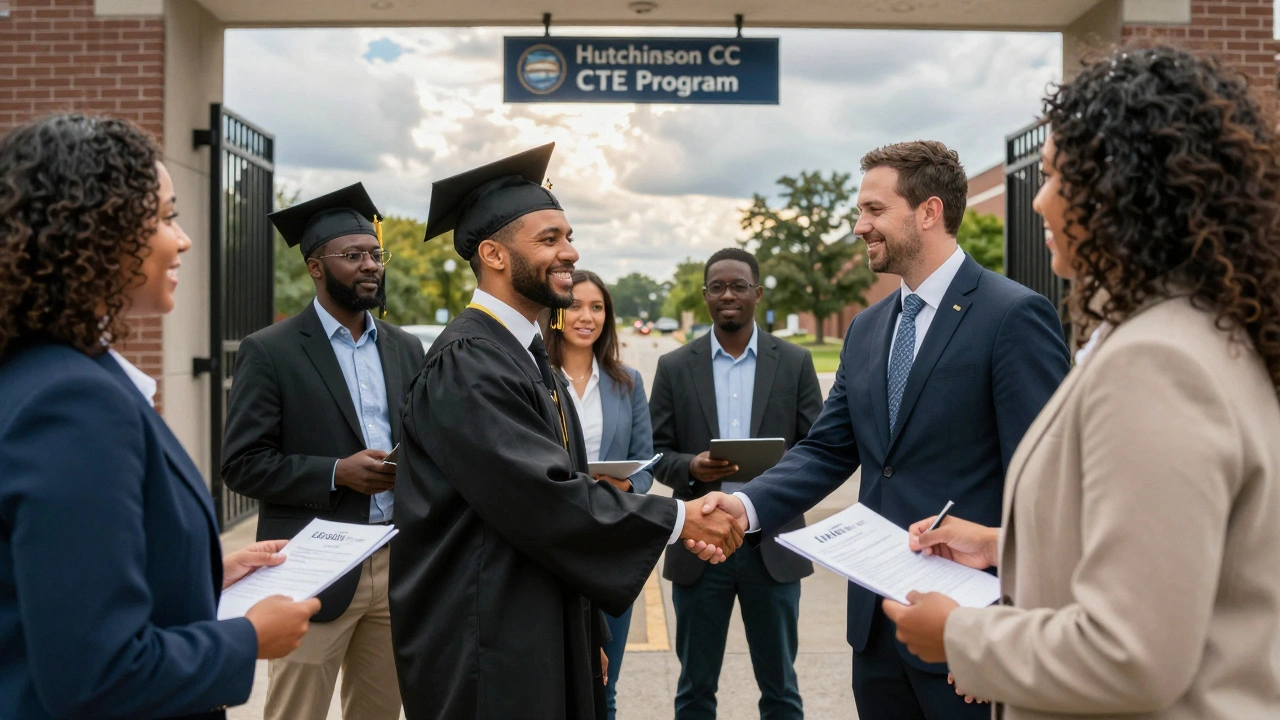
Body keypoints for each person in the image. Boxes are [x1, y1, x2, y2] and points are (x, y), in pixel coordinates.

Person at [883, 46, 1280, 720]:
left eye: (1055, 177)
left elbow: (1130, 653)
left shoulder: (1157, 364)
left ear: (1122, 190)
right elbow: (1171, 556)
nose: (1038, 199)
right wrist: (1005, 546)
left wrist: (958, 634)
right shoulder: (1199, 332)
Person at [700, 140, 1071, 719]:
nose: (859, 226)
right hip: (876, 629)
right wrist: (743, 508)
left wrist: (1007, 628)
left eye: (874, 210)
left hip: (967, 625)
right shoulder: (868, 328)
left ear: (929, 211)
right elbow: (828, 448)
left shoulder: (1012, 316)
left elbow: (1047, 485)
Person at [388, 143, 744, 720]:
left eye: (569, 236)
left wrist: (587, 631)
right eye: (549, 238)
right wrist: (679, 518)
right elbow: (541, 495)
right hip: (484, 640)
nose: (570, 252)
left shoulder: (526, 358)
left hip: (536, 624)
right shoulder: (468, 362)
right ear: (493, 255)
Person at [0, 113, 318, 720]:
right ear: (96, 229)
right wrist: (248, 639)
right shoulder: (71, 404)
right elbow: (96, 672)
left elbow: (53, 583)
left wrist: (197, 575)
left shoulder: (41, 373)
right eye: (167, 216)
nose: (185, 239)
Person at [220, 182, 423, 720]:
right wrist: (336, 473)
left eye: (375, 254)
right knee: (296, 713)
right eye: (352, 255)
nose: (369, 265)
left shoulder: (406, 347)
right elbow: (241, 463)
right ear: (315, 266)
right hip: (312, 569)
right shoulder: (270, 351)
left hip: (393, 558)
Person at [648, 248, 823, 720]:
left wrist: (778, 468)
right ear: (705, 296)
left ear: (757, 294)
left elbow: (818, 448)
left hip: (773, 547)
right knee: (694, 690)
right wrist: (691, 467)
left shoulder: (794, 362)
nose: (728, 295)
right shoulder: (673, 366)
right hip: (699, 546)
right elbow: (656, 452)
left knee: (781, 689)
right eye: (717, 287)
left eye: (738, 286)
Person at [545, 268, 657, 720]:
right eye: (575, 306)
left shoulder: (626, 382)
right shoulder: (536, 377)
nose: (586, 316)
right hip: (550, 546)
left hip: (610, 547)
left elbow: (646, 463)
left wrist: (625, 483)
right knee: (550, 687)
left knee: (603, 687)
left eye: (597, 307)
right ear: (555, 314)